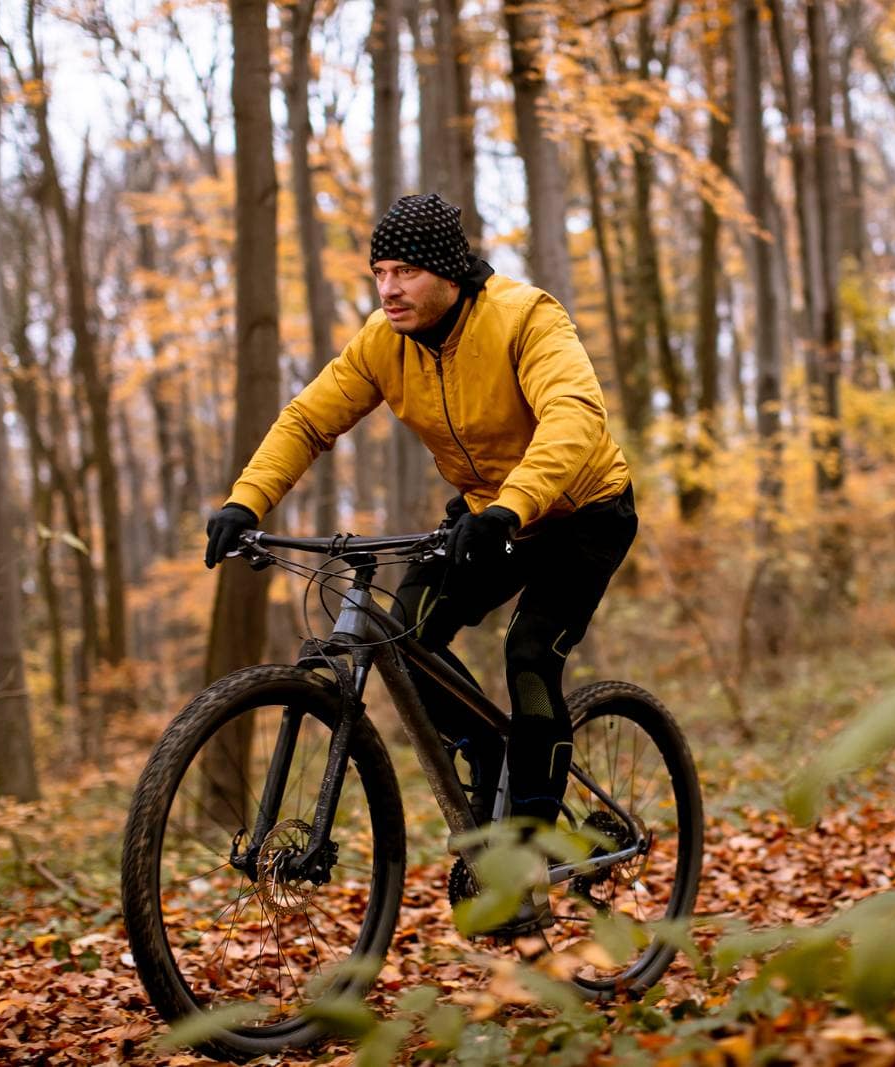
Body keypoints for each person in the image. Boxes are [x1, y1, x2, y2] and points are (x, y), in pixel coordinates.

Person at [203, 192, 637, 856]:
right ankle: (490, 757)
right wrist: (247, 501)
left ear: (448, 273)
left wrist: (508, 508)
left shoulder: (526, 317)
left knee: (528, 654)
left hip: (581, 511)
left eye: (403, 271)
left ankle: (533, 840)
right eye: (378, 272)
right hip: (486, 513)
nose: (387, 288)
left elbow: (575, 418)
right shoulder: (385, 342)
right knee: (406, 634)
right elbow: (307, 420)